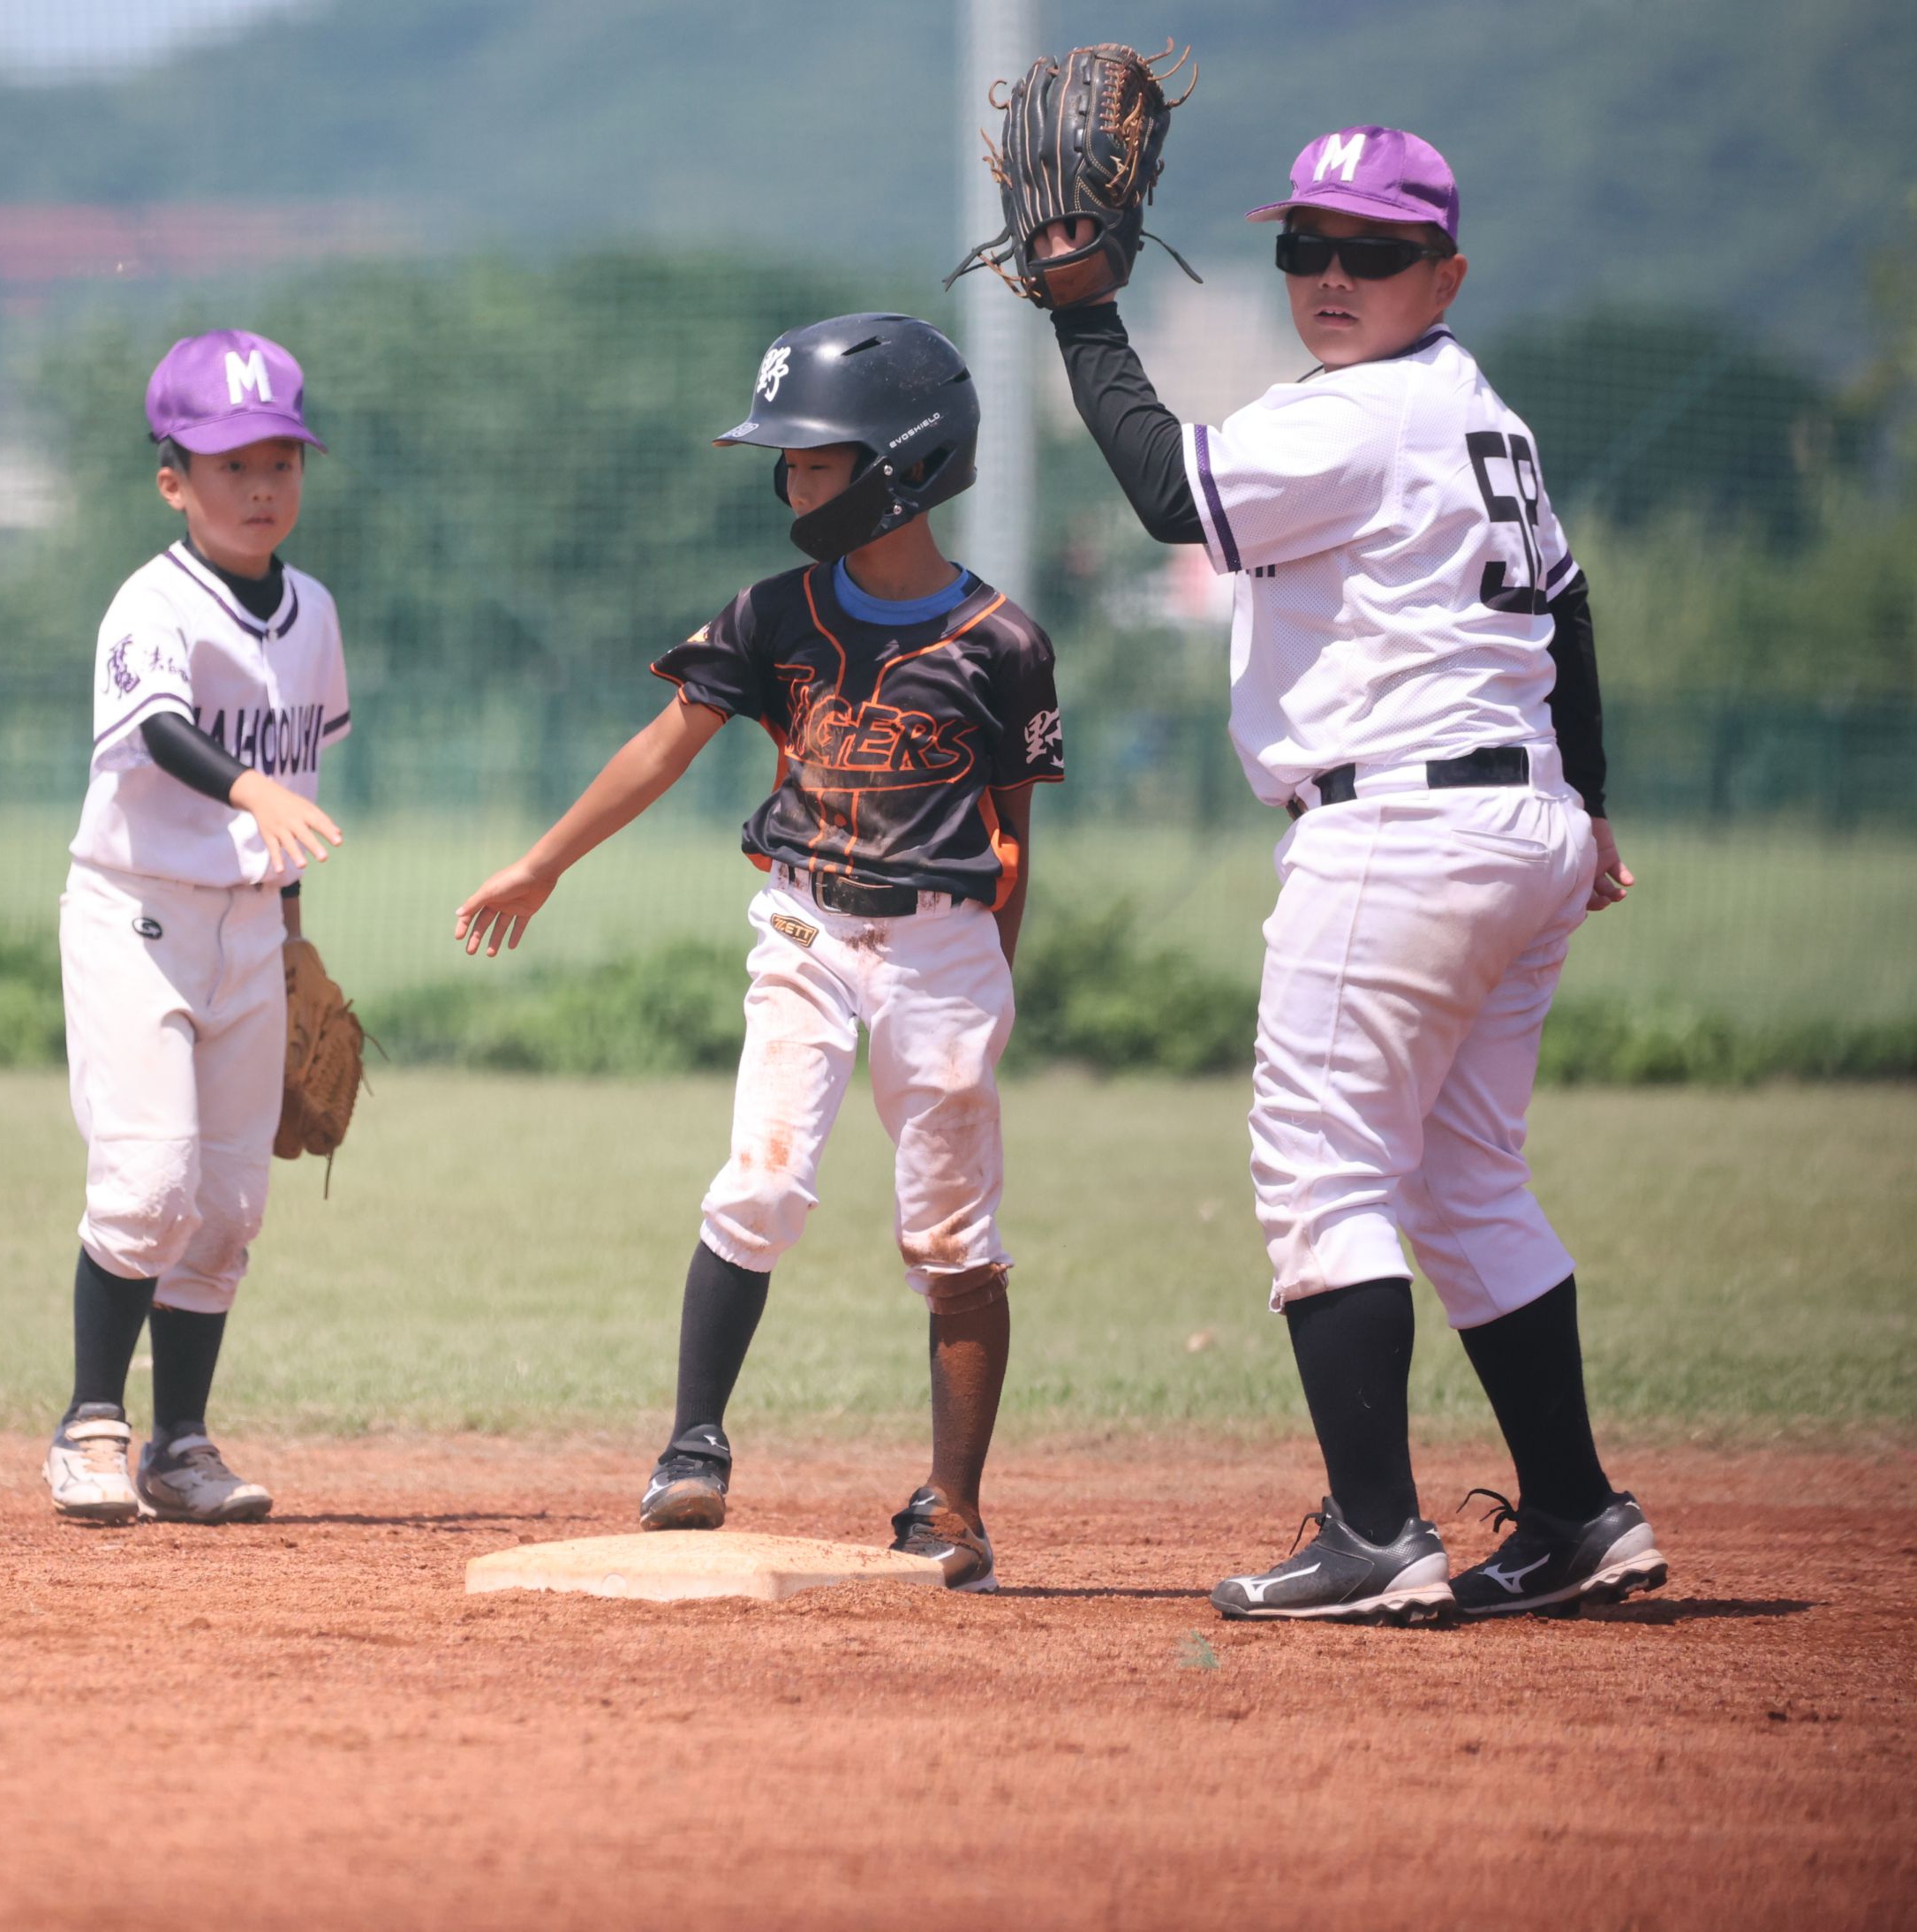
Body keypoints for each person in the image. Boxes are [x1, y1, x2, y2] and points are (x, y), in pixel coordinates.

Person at [1036, 126, 1664, 1623]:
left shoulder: (1362, 415)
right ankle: (1577, 1515)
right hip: (1517, 827)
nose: (1332, 275)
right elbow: (1568, 612)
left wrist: (1083, 308)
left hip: (1399, 834)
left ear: (1445, 274)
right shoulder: (1481, 412)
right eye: (1304, 247)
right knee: (1465, 1179)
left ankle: (1376, 1533)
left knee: (1324, 1169)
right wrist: (1587, 805)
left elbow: (1169, 493)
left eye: (1374, 253)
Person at [451, 315, 1062, 1591]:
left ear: (904, 465)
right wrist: (544, 862)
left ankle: (953, 1505)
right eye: (786, 460)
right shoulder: (774, 614)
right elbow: (663, 745)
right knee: (762, 1180)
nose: (791, 482)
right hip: (804, 924)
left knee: (952, 1231)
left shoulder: (1004, 645)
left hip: (946, 950)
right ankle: (691, 1450)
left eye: (817, 460)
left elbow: (1013, 834)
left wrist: (988, 981)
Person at [43, 328, 351, 1526]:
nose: (260, 486)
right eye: (231, 465)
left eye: (280, 460)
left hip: (250, 932)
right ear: (173, 480)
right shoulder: (152, 602)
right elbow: (160, 731)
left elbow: (297, 799)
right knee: (149, 1184)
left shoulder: (314, 611)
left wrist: (294, 944)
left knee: (227, 1207)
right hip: (136, 916)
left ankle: (180, 1448)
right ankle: (89, 1427)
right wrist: (248, 789)